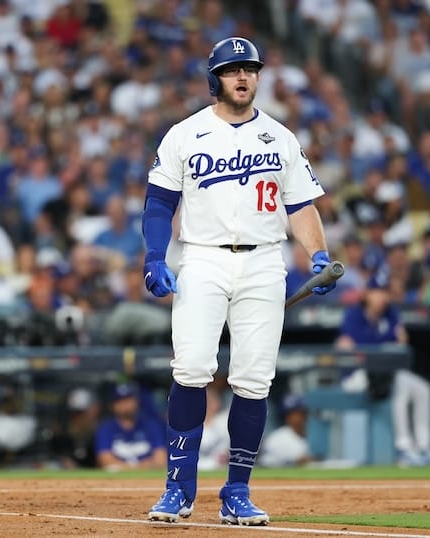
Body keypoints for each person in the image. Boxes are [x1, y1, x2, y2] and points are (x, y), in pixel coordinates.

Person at [142, 37, 336, 526]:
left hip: (265, 261)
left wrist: (317, 253)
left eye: (249, 68)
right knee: (191, 368)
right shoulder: (185, 134)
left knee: (253, 378)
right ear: (215, 79)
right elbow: (159, 203)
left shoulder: (280, 137)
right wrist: (154, 255)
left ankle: (237, 491)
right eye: (232, 70)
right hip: (202, 257)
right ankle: (178, 487)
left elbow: (301, 206)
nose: (243, 76)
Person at [336, 267, 430, 466]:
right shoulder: (354, 314)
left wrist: (376, 346)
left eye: (384, 292)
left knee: (423, 389)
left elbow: (399, 346)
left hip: (386, 373)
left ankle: (424, 446)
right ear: (367, 294)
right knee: (399, 383)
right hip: (357, 376)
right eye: (377, 292)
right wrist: (382, 344)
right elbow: (351, 348)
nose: (381, 297)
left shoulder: (391, 313)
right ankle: (403, 446)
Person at [94, 383, 166, 471]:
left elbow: (160, 460)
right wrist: (144, 466)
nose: (125, 405)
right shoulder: (106, 428)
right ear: (112, 405)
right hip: (119, 478)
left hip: (145, 476)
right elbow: (106, 461)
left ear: (136, 401)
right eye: (120, 401)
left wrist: (124, 467)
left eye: (128, 400)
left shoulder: (151, 425)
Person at [259, 394, 312, 467]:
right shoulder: (276, 438)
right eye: (296, 414)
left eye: (303, 414)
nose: (301, 418)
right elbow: (265, 463)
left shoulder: (307, 436)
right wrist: (293, 462)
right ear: (287, 417)